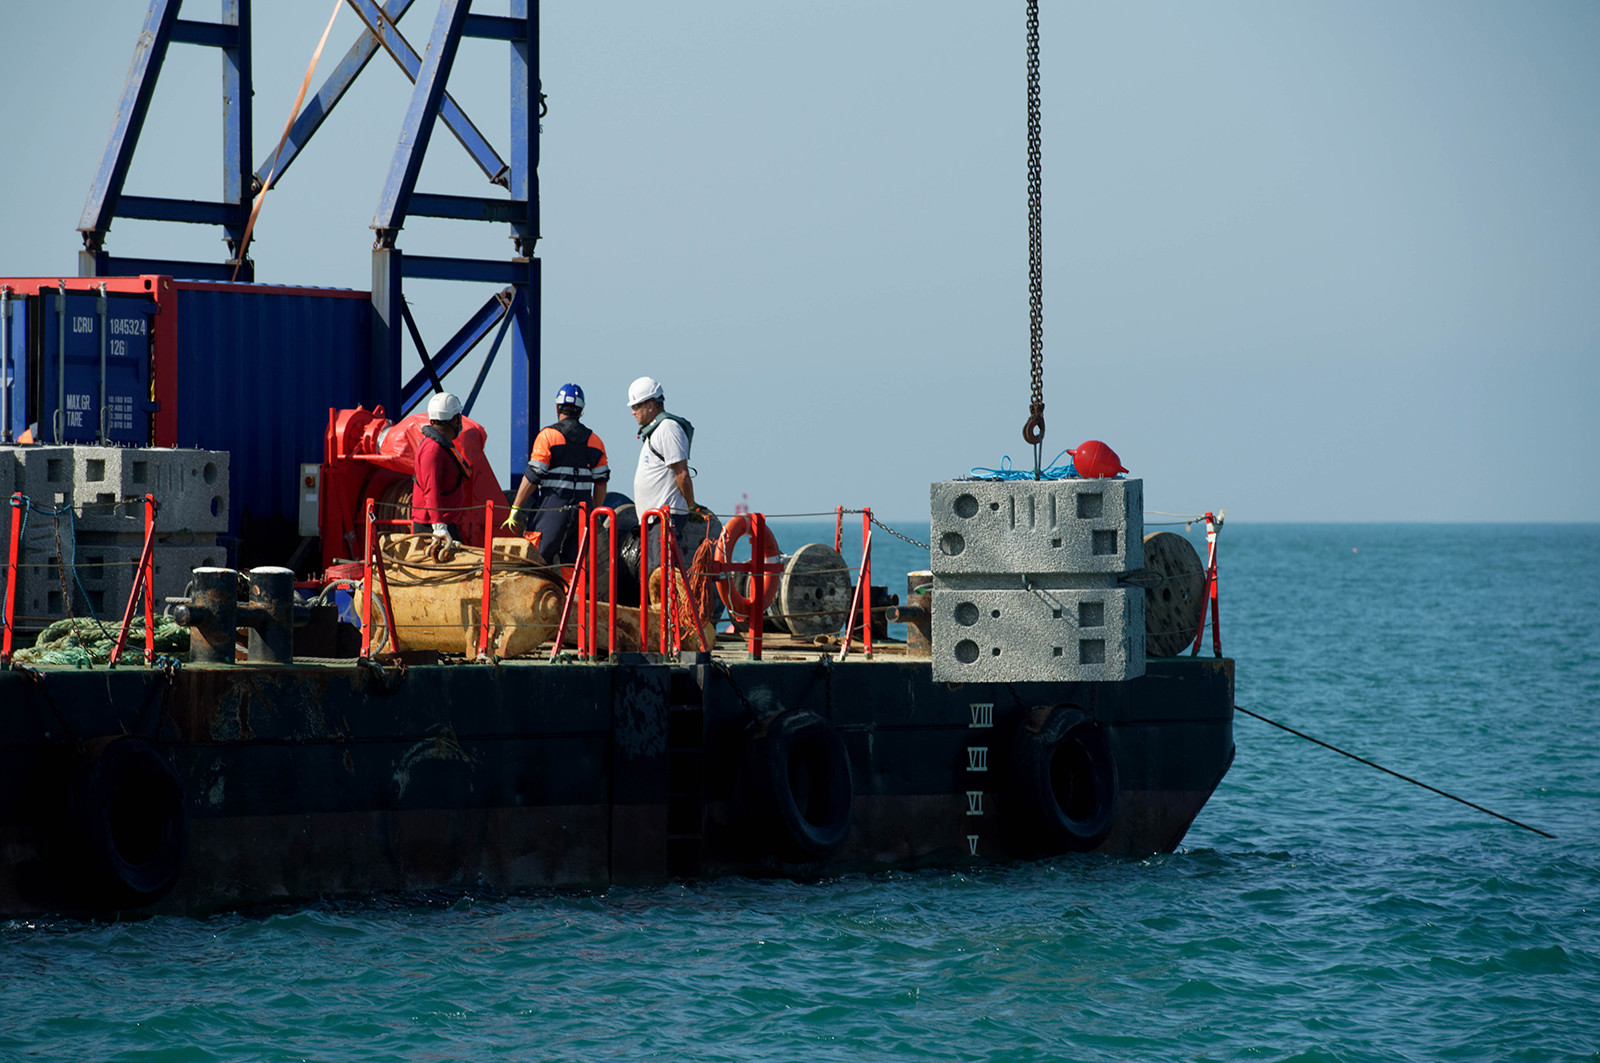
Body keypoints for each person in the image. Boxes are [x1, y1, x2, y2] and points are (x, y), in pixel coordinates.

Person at [502, 383, 610, 563]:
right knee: (574, 568)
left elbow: (533, 477)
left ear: (558, 407)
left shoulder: (548, 436)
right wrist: (594, 514)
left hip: (551, 511)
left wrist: (515, 508)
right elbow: (601, 483)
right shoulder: (595, 441)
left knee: (535, 563)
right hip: (583, 514)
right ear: (581, 410)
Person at [627, 376, 708, 566]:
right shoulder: (655, 431)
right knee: (654, 574)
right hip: (654, 519)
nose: (633, 412)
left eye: (636, 406)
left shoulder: (668, 429)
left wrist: (691, 507)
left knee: (662, 572)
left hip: (665, 519)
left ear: (650, 405)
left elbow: (682, 474)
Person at [411, 391, 472, 558]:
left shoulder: (441, 447)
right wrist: (439, 527)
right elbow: (431, 490)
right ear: (454, 420)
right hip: (432, 526)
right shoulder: (433, 450)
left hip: (446, 523)